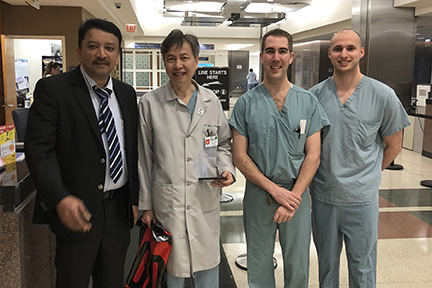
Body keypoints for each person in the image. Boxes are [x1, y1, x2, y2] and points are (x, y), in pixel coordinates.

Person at [25, 18, 139, 288]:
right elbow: (39, 149)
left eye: (110, 48)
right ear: (78, 52)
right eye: (93, 46)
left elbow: (130, 150)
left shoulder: (126, 93)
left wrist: (133, 198)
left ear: (117, 55)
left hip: (117, 212)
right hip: (77, 211)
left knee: (111, 282)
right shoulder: (54, 90)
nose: (102, 54)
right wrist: (60, 198)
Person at [309, 29, 411, 288]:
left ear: (361, 52)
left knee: (363, 267)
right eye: (338, 49)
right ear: (330, 54)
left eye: (350, 48)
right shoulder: (314, 97)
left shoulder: (382, 95)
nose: (344, 54)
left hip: (361, 200)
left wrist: (369, 173)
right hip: (324, 197)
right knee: (327, 266)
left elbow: (394, 145)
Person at [229, 28, 330, 288]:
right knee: (259, 264)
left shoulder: (308, 102)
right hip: (259, 195)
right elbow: (239, 156)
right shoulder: (246, 104)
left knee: (298, 266)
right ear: (262, 57)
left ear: (291, 57)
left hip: (296, 198)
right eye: (271, 51)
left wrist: (291, 198)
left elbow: (313, 155)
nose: (276, 57)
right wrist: (275, 191)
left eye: (282, 51)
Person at [138, 29, 235, 288]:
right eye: (171, 58)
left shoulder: (211, 101)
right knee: (173, 271)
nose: (178, 65)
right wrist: (146, 205)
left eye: (184, 57)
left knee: (208, 271)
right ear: (164, 62)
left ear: (196, 60)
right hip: (168, 203)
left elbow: (223, 142)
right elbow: (144, 159)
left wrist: (226, 169)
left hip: (204, 199)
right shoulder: (150, 104)